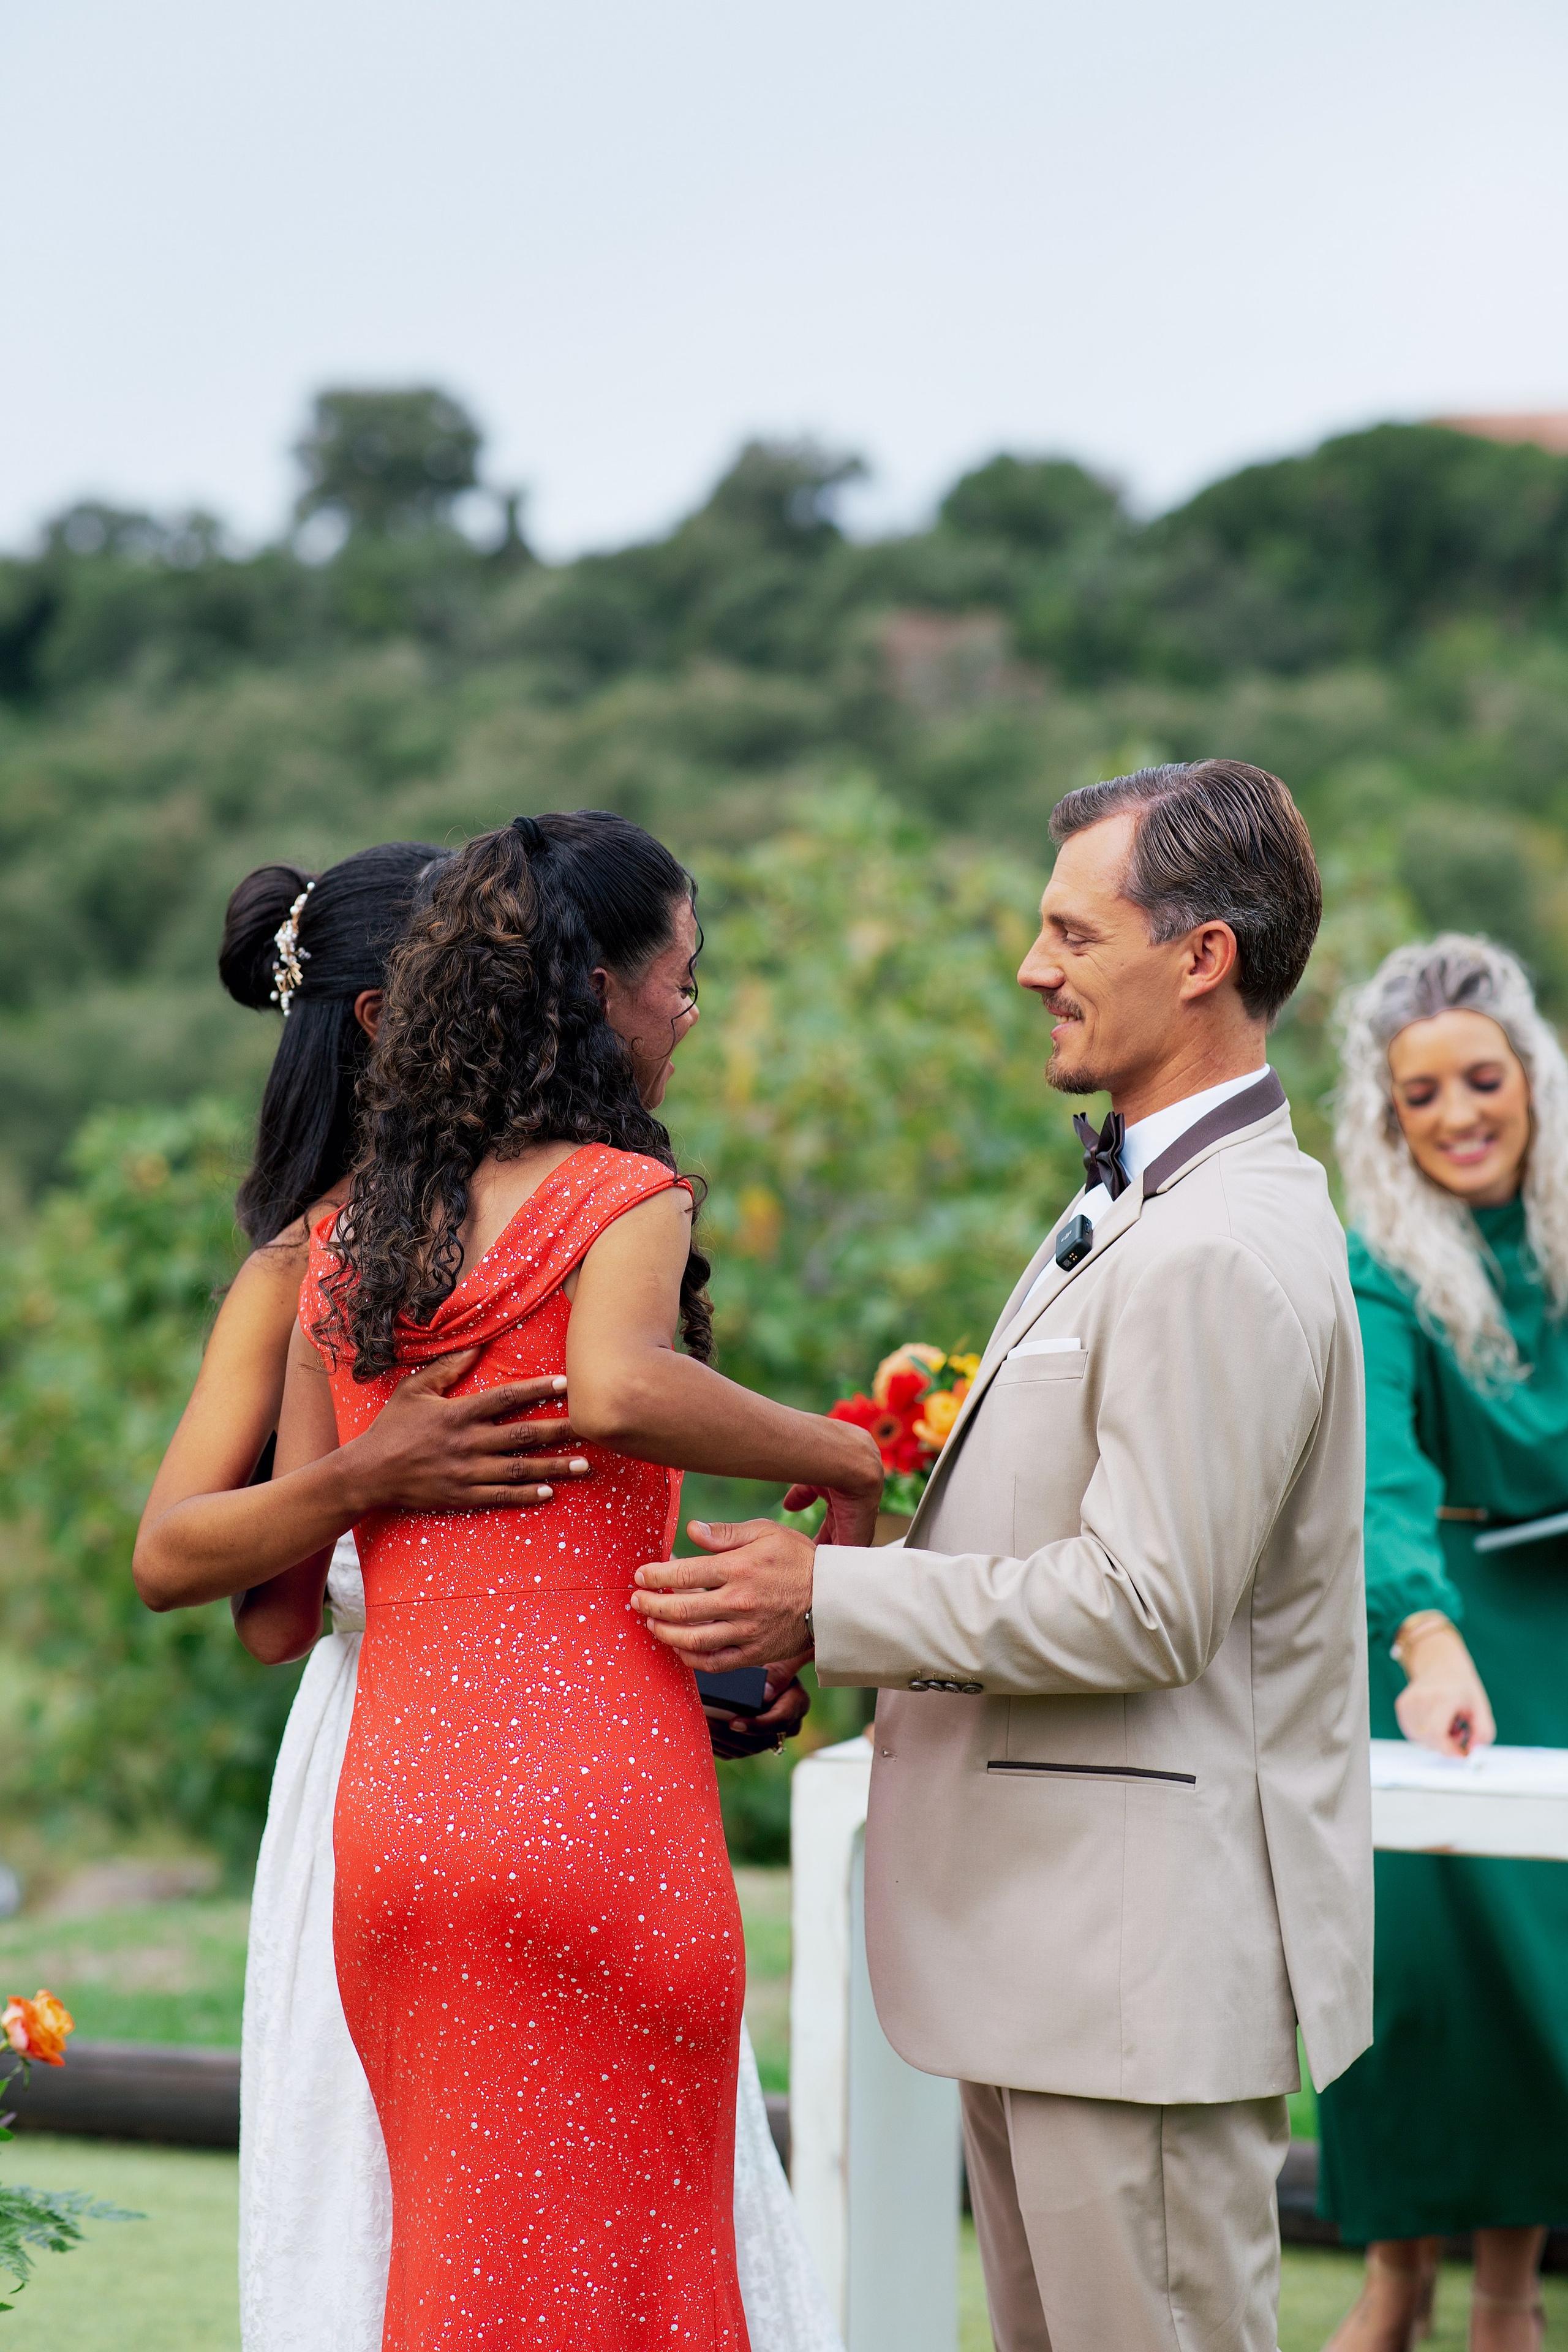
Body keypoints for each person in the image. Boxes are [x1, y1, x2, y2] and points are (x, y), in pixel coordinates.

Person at [633, 759, 1375, 2352]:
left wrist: (827, 1600)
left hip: (1135, 1975)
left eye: (1069, 931)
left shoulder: (1226, 1244)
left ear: (1202, 958)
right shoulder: (1138, 1193)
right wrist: (862, 1552)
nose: (1034, 969)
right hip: (1057, 1957)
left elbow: (1146, 1604)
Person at [136, 834, 845, 2352]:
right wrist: (363, 1477)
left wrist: (685, 1673)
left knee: (463, 2258)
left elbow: (532, 1550)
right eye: (677, 985)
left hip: (426, 1780)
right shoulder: (538, 1216)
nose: (684, 1012)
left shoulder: (349, 1252)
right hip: (507, 1772)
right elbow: (227, 1582)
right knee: (569, 2246)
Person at [1314, 935, 1568, 2352]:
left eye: (1480, 1079)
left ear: (1527, 1078)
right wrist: (1422, 1634)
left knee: (1537, 1967)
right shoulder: (1377, 1270)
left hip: (1558, 1629)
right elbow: (1379, 1480)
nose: (1458, 1115)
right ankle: (1392, 2279)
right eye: (1421, 1097)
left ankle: (1510, 2295)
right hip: (1425, 1627)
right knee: (1413, 1967)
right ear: (1387, 1116)